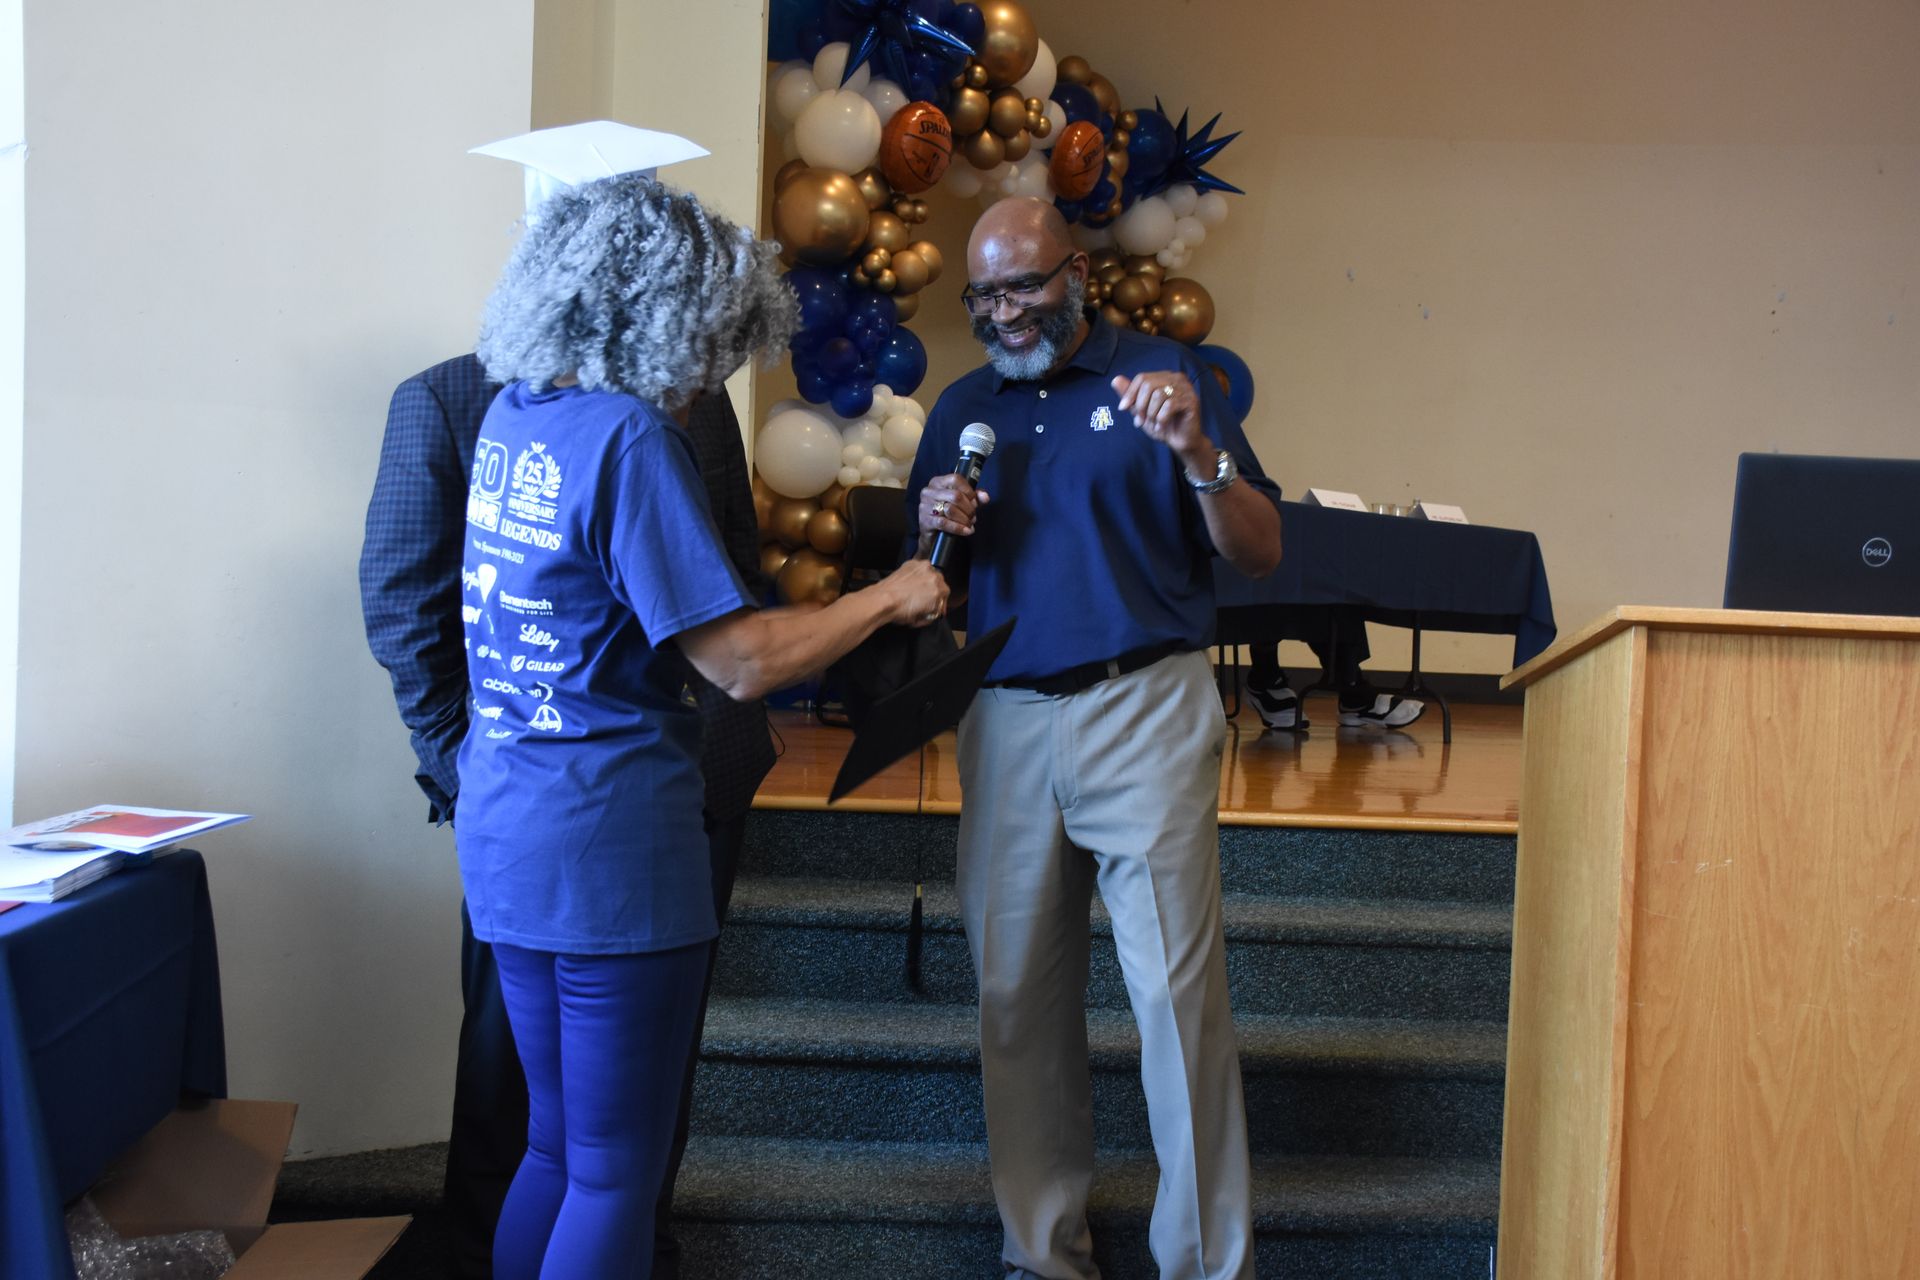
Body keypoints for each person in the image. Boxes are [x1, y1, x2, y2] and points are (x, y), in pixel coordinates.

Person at [462, 171, 945, 1280]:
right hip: (612, 840)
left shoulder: (515, 414)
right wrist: (889, 596)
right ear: (664, 313)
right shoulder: (625, 437)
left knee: (553, 1147)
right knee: (614, 1172)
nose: (710, 372)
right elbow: (739, 661)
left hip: (509, 819)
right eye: (715, 341)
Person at [907, 197, 1280, 1280]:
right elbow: (928, 587)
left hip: (1144, 706)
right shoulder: (963, 408)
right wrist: (933, 529)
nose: (1004, 312)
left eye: (1024, 285)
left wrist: (1199, 450)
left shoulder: (1163, 376)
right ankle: (1043, 1252)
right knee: (1014, 998)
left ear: (1076, 274)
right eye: (984, 294)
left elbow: (1259, 549)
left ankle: (1204, 1261)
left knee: (1174, 999)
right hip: (1007, 719)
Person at [358, 352, 772, 1277]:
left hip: (643, 793)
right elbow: (402, 605)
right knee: (601, 1166)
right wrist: (473, 765)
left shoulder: (549, 410)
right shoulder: (573, 419)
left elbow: (731, 570)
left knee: (571, 1148)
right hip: (598, 823)